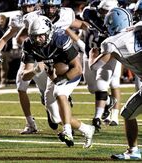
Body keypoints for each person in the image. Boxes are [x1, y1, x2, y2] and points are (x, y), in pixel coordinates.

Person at [22, 15, 95, 148]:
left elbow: (78, 69)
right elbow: (24, 76)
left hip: (70, 73)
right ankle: (87, 129)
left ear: (48, 33)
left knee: (59, 93)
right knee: (55, 117)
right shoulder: (29, 44)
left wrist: (60, 79)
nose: (37, 39)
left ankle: (67, 131)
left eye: (40, 36)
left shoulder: (60, 39)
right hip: (53, 76)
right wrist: (35, 71)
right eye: (34, 36)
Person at [89, 7, 142, 160]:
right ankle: (133, 151)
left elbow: (95, 67)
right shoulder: (138, 27)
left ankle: (133, 150)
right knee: (127, 113)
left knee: (128, 114)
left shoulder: (112, 42)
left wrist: (93, 56)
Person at [0, 0, 41, 134]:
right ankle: (30, 123)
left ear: (36, 5)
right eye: (25, 6)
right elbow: (5, 38)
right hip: (28, 56)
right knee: (21, 87)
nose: (27, 9)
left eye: (30, 6)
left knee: (50, 100)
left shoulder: (43, 15)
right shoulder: (18, 18)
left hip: (45, 56)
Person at [81, 0, 121, 131]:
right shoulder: (90, 14)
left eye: (108, 11)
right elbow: (85, 13)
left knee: (106, 83)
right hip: (90, 53)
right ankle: (109, 101)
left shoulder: (118, 20)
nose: (105, 14)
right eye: (103, 11)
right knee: (92, 88)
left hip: (109, 54)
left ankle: (100, 116)